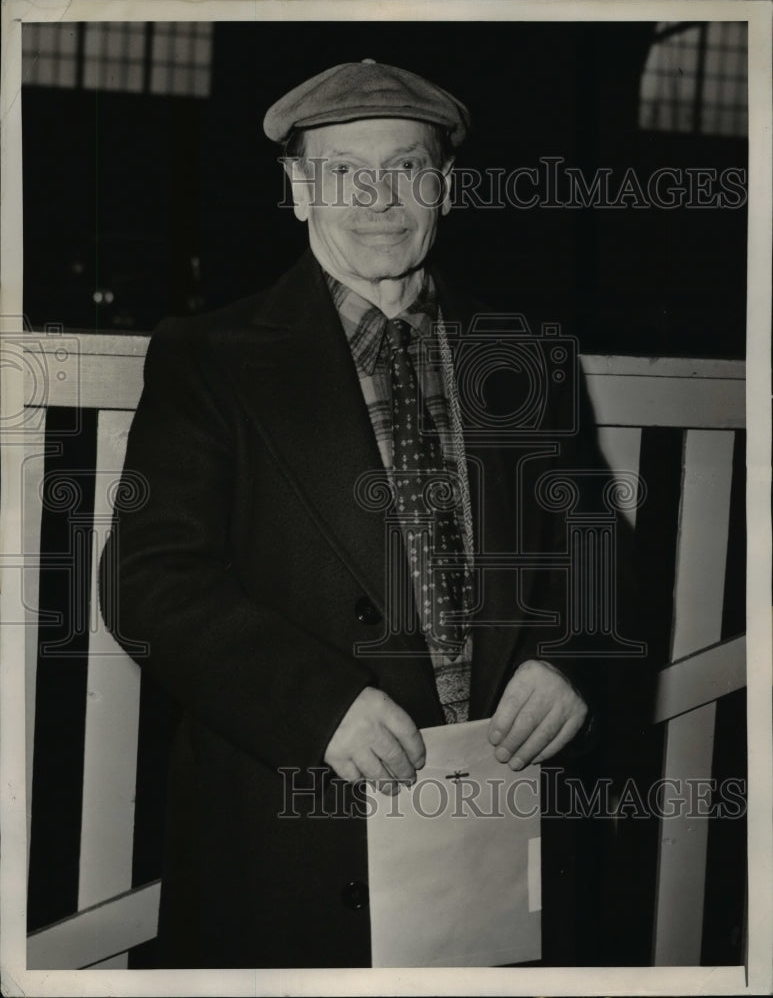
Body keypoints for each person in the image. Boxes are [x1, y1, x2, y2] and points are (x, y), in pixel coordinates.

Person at [100, 60, 624, 969]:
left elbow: (598, 545)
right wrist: (314, 704)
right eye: (345, 171)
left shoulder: (523, 355)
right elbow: (150, 580)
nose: (379, 197)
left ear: (446, 188)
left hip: (493, 826)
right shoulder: (210, 357)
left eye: (408, 168)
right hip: (291, 829)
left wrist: (569, 655)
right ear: (299, 188)